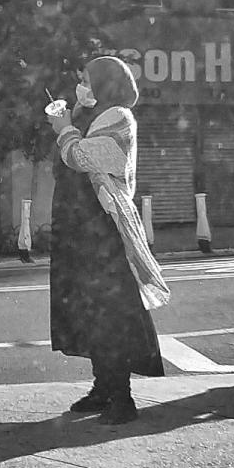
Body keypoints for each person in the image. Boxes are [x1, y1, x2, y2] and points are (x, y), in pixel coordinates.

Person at [45, 55, 170, 424]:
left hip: (102, 232)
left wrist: (65, 127)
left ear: (105, 83)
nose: (81, 85)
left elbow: (81, 155)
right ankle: (103, 388)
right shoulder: (94, 115)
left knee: (109, 315)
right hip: (80, 230)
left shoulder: (118, 117)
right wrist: (70, 119)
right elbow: (65, 157)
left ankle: (122, 397)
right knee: (87, 313)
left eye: (86, 79)